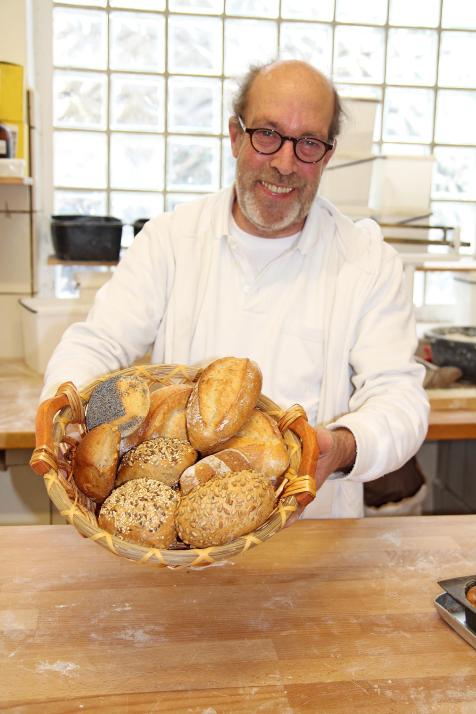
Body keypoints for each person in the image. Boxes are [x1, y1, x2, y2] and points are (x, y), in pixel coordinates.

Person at [41, 59, 429, 519]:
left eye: (307, 143)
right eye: (267, 134)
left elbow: (399, 398)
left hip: (314, 533)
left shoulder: (366, 261)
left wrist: (339, 447)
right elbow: (100, 346)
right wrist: (70, 415)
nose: (285, 163)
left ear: (326, 155)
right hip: (183, 542)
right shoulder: (172, 240)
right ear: (235, 135)